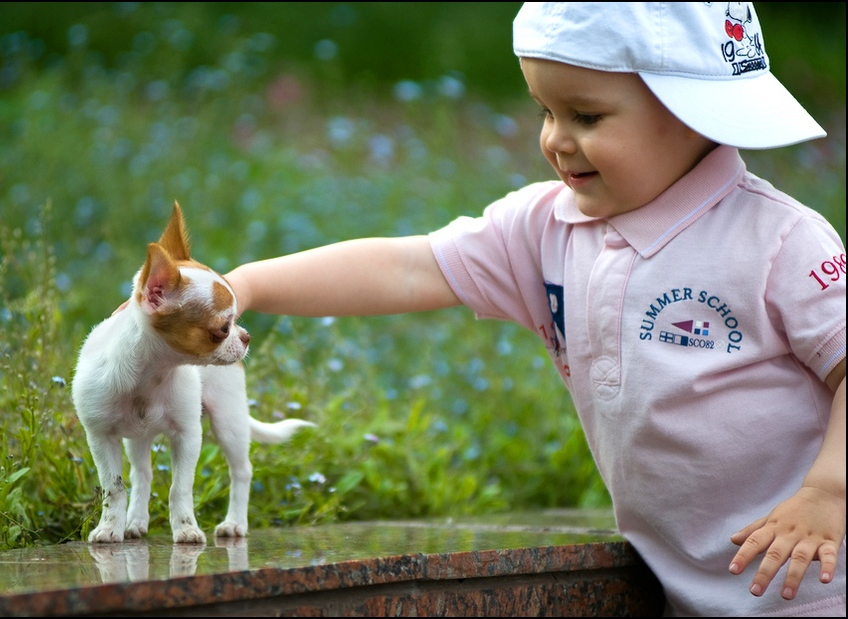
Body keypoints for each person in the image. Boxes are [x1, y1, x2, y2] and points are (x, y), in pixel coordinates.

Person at [223, 3, 846, 616]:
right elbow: (409, 267)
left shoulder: (777, 240)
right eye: (545, 110)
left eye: (586, 115)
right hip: (693, 593)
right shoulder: (545, 229)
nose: (555, 138)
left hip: (819, 582)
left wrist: (829, 490)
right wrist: (245, 285)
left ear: (692, 114)